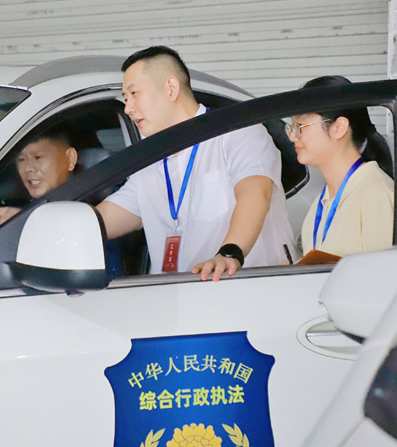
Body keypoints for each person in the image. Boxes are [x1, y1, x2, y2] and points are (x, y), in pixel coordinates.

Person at [97, 46, 295, 281]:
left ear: (171, 88)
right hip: (176, 296)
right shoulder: (149, 160)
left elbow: (255, 195)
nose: (128, 108)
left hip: (243, 288)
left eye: (134, 94)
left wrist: (229, 253)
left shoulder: (237, 132)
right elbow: (103, 220)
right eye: (125, 98)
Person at [288, 75, 394, 260]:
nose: (292, 137)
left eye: (301, 126)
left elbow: (387, 273)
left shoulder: (376, 194)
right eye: (292, 126)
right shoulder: (321, 203)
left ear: (339, 127)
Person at [0, 127, 78, 232]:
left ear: (70, 158)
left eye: (38, 157)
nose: (28, 168)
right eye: (21, 159)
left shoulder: (84, 205)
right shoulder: (15, 205)